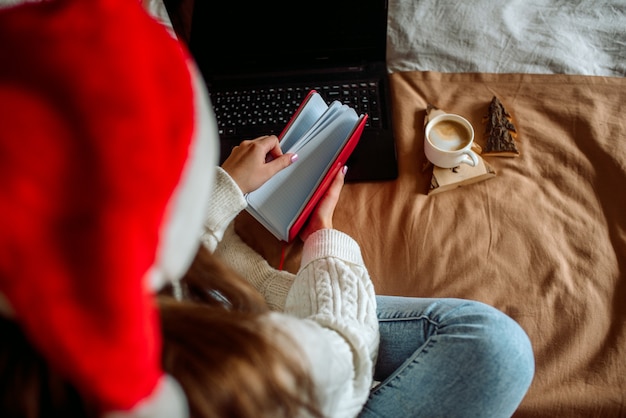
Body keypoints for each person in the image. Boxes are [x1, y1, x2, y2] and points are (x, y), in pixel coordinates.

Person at [0, 0, 534, 417]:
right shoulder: (210, 376)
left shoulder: (43, 313)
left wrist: (225, 186)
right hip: (282, 369)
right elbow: (344, 361)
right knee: (495, 348)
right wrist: (323, 239)